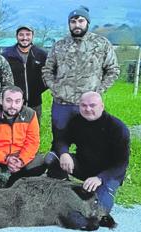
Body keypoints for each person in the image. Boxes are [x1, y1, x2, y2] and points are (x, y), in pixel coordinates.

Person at [42, 6, 120, 152]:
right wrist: (55, 88)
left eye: (80, 21)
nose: (77, 24)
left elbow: (113, 70)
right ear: (69, 24)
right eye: (73, 21)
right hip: (62, 104)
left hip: (89, 105)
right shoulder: (59, 45)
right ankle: (57, 172)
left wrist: (98, 91)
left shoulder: (101, 44)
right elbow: (47, 70)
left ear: (87, 22)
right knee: (59, 140)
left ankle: (87, 171)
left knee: (91, 141)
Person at [45, 92, 129, 213]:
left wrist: (100, 178)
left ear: (102, 106)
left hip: (108, 174)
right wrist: (64, 153)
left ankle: (98, 192)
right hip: (84, 165)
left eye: (92, 105)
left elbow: (121, 164)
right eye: (83, 105)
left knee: (98, 212)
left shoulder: (117, 128)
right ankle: (64, 192)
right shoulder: (76, 120)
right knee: (51, 158)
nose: (87, 109)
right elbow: (61, 139)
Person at [0, 86, 44, 187]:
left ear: (22, 102)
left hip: (19, 157)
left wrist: (21, 160)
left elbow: (33, 142)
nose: (13, 105)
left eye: (17, 101)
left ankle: (17, 181)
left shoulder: (30, 114)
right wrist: (5, 158)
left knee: (43, 160)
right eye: (9, 101)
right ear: (1, 101)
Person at [2, 25, 48, 120]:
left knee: (33, 133)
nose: (24, 38)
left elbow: (50, 73)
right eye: (21, 35)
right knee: (12, 132)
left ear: (32, 36)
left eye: (28, 34)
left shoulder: (41, 54)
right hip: (12, 104)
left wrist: (39, 89)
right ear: (16, 36)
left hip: (35, 103)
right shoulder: (6, 54)